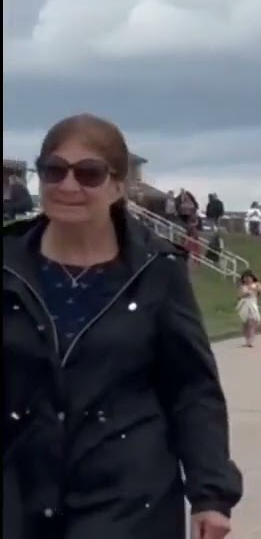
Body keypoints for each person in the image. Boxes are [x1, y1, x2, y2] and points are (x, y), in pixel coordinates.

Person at [2, 113, 241, 539]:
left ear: (117, 185)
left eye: (88, 173)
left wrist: (211, 494)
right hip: (19, 491)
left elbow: (192, 388)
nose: (68, 186)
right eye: (54, 171)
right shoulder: (7, 265)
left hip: (127, 497)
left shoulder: (157, 271)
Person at [237, 270, 261, 347]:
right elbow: (239, 296)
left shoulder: (256, 284)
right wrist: (245, 294)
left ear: (252, 278)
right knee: (245, 323)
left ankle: (251, 340)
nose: (247, 279)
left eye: (249, 277)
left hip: (253, 305)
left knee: (252, 322)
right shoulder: (242, 287)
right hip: (244, 305)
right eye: (245, 278)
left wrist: (254, 289)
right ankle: (247, 339)